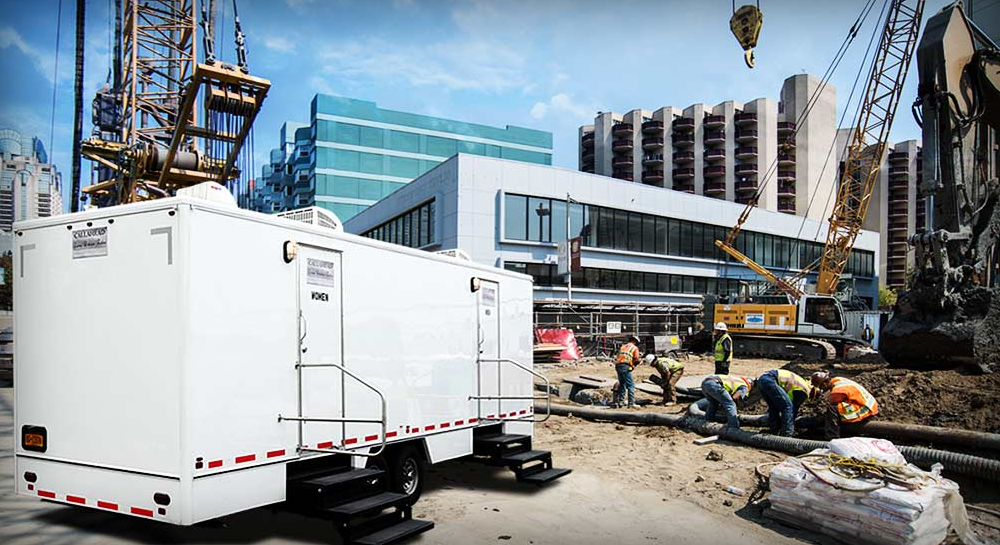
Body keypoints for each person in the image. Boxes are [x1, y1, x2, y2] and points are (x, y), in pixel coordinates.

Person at [811, 372, 879, 439]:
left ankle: (832, 436)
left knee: (832, 409)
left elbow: (833, 410)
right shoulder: (838, 379)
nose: (821, 389)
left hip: (864, 409)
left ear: (825, 384)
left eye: (820, 386)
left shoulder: (837, 392)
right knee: (836, 410)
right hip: (870, 405)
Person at [755, 369, 817, 436]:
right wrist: (791, 424)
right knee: (788, 406)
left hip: (762, 380)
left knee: (774, 408)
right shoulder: (805, 391)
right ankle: (787, 434)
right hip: (770, 380)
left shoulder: (802, 383)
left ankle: (774, 431)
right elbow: (793, 408)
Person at [612, 335, 642, 409]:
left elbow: (619, 356)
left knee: (622, 384)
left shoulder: (623, 346)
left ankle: (620, 402)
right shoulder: (634, 348)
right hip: (625, 366)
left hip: (618, 366)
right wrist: (636, 364)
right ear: (635, 341)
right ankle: (631, 403)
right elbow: (637, 359)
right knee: (630, 385)